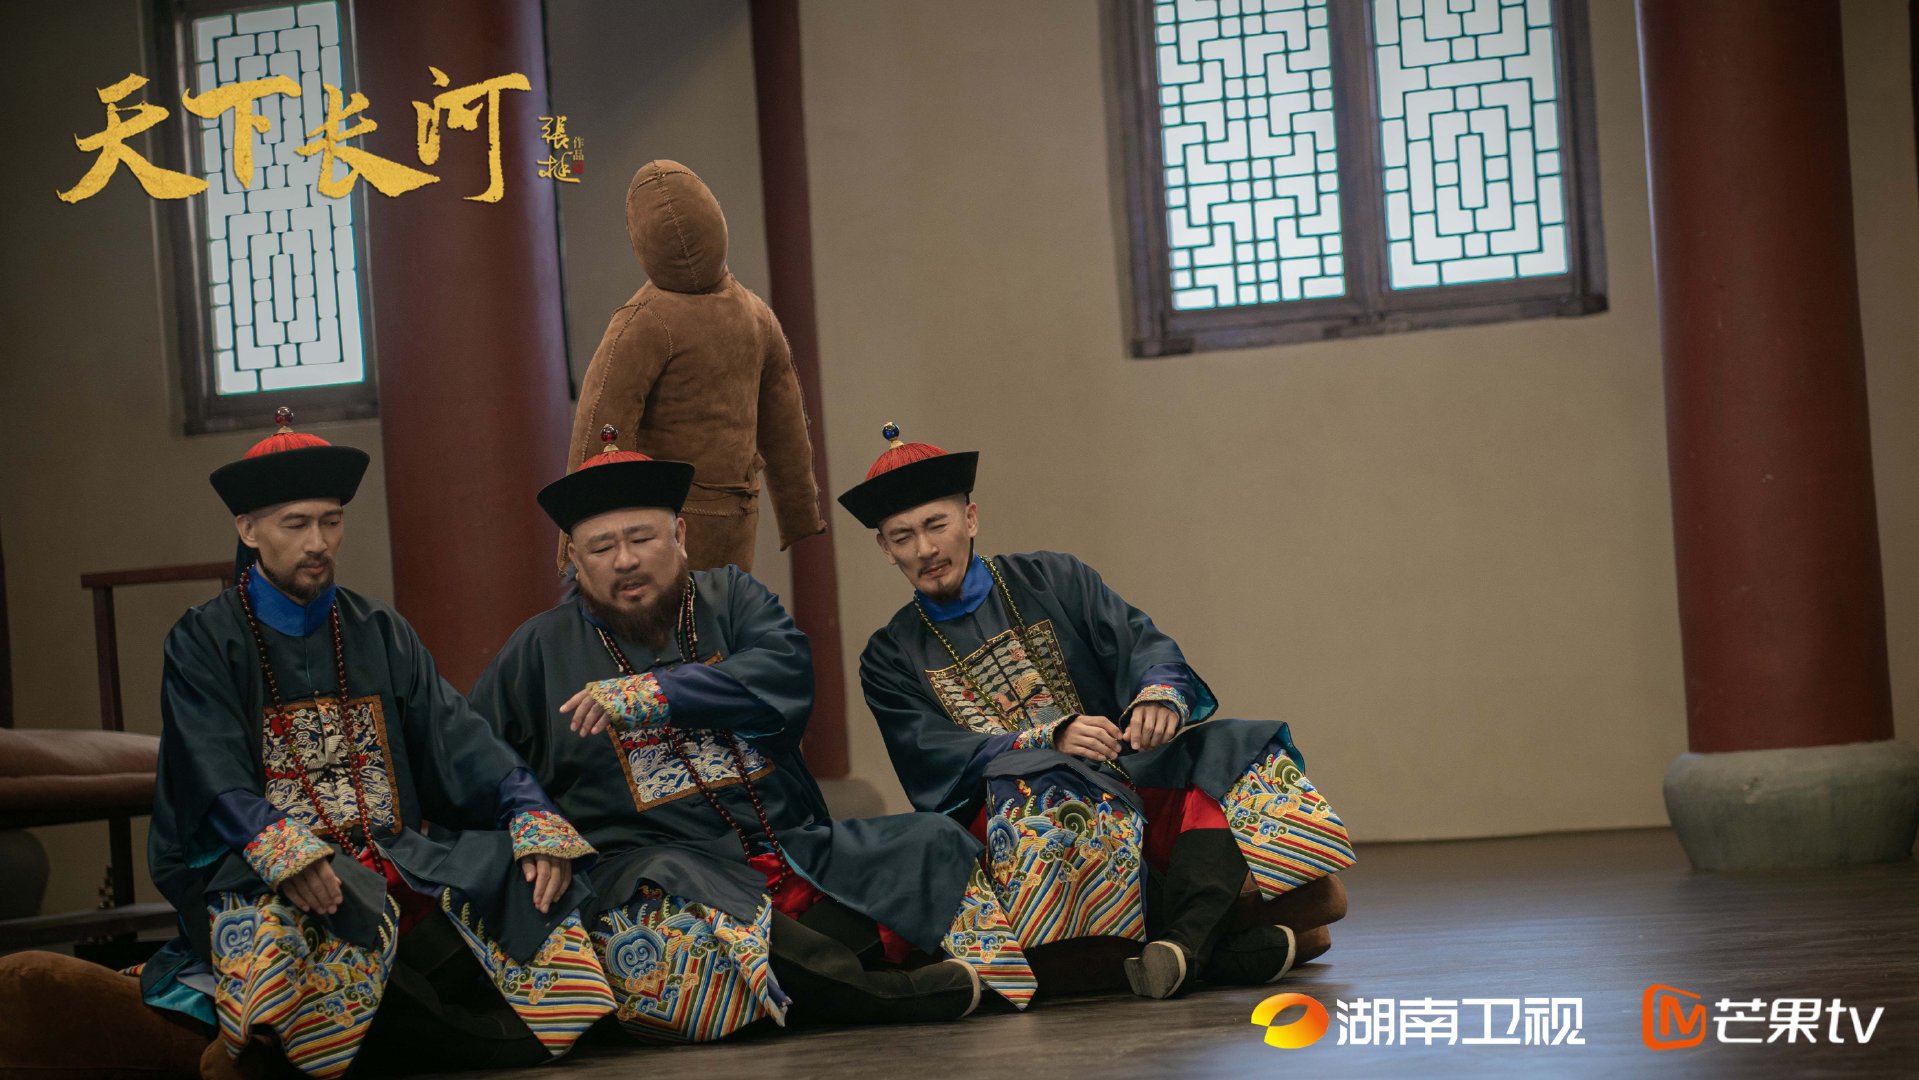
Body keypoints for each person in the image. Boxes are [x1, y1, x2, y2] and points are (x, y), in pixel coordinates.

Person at [472, 426, 1035, 1044]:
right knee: (682, 909)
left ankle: (800, 989)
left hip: (787, 847)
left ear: (679, 536)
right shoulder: (538, 650)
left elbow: (785, 669)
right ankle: (883, 992)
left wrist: (658, 693)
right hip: (657, 873)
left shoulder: (730, 598)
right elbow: (479, 757)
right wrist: (530, 816)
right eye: (601, 548)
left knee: (926, 841)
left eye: (641, 538)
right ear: (575, 560)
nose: (625, 561)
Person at [138, 408, 612, 1078]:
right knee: (286, 929)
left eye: (330, 521)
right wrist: (284, 851)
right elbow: (210, 771)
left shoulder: (378, 630)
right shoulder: (204, 639)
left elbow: (457, 738)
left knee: (527, 873)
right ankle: (460, 1035)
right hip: (267, 866)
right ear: (248, 530)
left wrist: (527, 810)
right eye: (295, 524)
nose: (318, 542)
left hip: (393, 855)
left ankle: (406, 1029)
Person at [841, 423, 1355, 1000]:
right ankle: (1216, 951)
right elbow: (929, 755)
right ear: (886, 549)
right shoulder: (889, 655)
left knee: (1233, 746)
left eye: (937, 525)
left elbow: (1142, 644)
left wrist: (1157, 695)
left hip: (1123, 772)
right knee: (1045, 787)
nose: (926, 550)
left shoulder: (1054, 578)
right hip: (1016, 813)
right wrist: (1046, 740)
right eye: (904, 537)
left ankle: (1183, 947)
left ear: (971, 519)